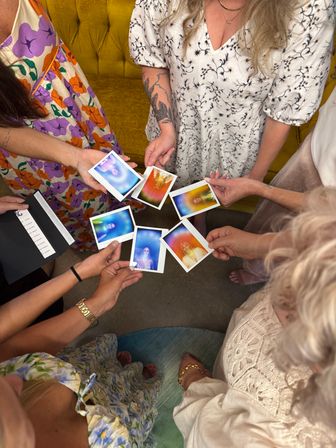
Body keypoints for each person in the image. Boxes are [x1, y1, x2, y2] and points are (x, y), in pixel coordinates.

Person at [173, 187, 336, 447]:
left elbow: (206, 433)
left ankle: (199, 385)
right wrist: (262, 244)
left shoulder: (272, 435)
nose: (280, 279)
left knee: (212, 405)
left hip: (248, 403)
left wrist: (196, 386)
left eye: (288, 303)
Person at [129, 0, 334, 187]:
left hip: (237, 153)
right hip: (172, 135)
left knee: (213, 217)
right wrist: (166, 129)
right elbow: (152, 58)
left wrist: (255, 178)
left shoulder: (311, 7)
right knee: (172, 214)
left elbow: (285, 107)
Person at [0, 0, 136, 250]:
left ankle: (124, 222)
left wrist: (81, 154)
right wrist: (75, 156)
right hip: (30, 142)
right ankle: (93, 244)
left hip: (78, 105)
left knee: (107, 170)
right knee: (76, 199)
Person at [0, 241, 161, 447]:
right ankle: (140, 381)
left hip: (81, 368)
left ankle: (116, 366)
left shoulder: (10, 375)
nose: (14, 378)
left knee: (104, 365)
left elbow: (14, 349)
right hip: (125, 414)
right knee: (138, 398)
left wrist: (96, 301)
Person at [207, 84, 336, 283]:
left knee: (295, 281)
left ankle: (266, 275)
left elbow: (328, 226)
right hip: (317, 150)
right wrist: (257, 186)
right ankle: (258, 270)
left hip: (318, 279)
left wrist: (258, 245)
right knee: (270, 220)